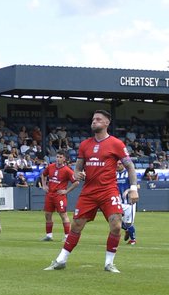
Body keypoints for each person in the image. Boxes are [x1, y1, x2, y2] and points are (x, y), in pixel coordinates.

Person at [45, 110, 137, 273]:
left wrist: (134, 188)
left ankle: (109, 263)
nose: (94, 121)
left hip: (108, 191)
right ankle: (61, 260)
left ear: (107, 123)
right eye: (93, 119)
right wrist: (76, 173)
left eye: (98, 119)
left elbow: (130, 166)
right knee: (76, 225)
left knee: (116, 225)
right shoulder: (85, 144)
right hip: (89, 192)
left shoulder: (116, 144)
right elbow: (78, 168)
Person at [38, 152, 78, 241]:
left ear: (64, 159)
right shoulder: (50, 166)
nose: (58, 159)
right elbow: (43, 175)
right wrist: (44, 185)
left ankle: (67, 237)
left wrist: (66, 191)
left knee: (63, 215)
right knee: (47, 214)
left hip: (59, 196)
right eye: (57, 157)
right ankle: (49, 236)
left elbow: (76, 182)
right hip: (50, 194)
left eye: (60, 157)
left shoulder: (67, 170)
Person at [115, 163, 137, 246]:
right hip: (117, 202)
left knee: (128, 223)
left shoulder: (129, 173)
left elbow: (137, 186)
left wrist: (128, 190)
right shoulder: (114, 174)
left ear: (123, 165)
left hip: (128, 203)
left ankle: (133, 240)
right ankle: (127, 230)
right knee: (114, 220)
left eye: (120, 164)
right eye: (116, 164)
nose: (118, 165)